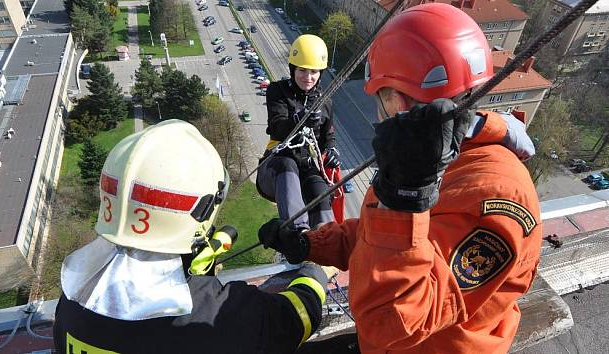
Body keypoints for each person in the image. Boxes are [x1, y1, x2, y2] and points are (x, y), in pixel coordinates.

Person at [257, 3, 542, 354]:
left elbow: (392, 321)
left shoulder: (494, 197)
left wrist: (405, 199)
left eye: (380, 99)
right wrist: (311, 243)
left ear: (397, 102)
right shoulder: (431, 160)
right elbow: (376, 236)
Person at [53, 120, 332, 354]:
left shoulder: (72, 299)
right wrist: (315, 270)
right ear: (201, 211)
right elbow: (294, 319)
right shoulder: (223, 314)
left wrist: (190, 273)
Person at [256, 34, 340, 230]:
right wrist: (300, 120)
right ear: (293, 69)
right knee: (287, 164)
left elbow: (328, 137)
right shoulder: (277, 91)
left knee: (320, 192)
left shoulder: (325, 102)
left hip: (306, 170)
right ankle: (297, 232)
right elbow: (277, 126)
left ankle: (326, 238)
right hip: (276, 170)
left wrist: (332, 151)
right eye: (302, 70)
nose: (308, 77)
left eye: (313, 72)